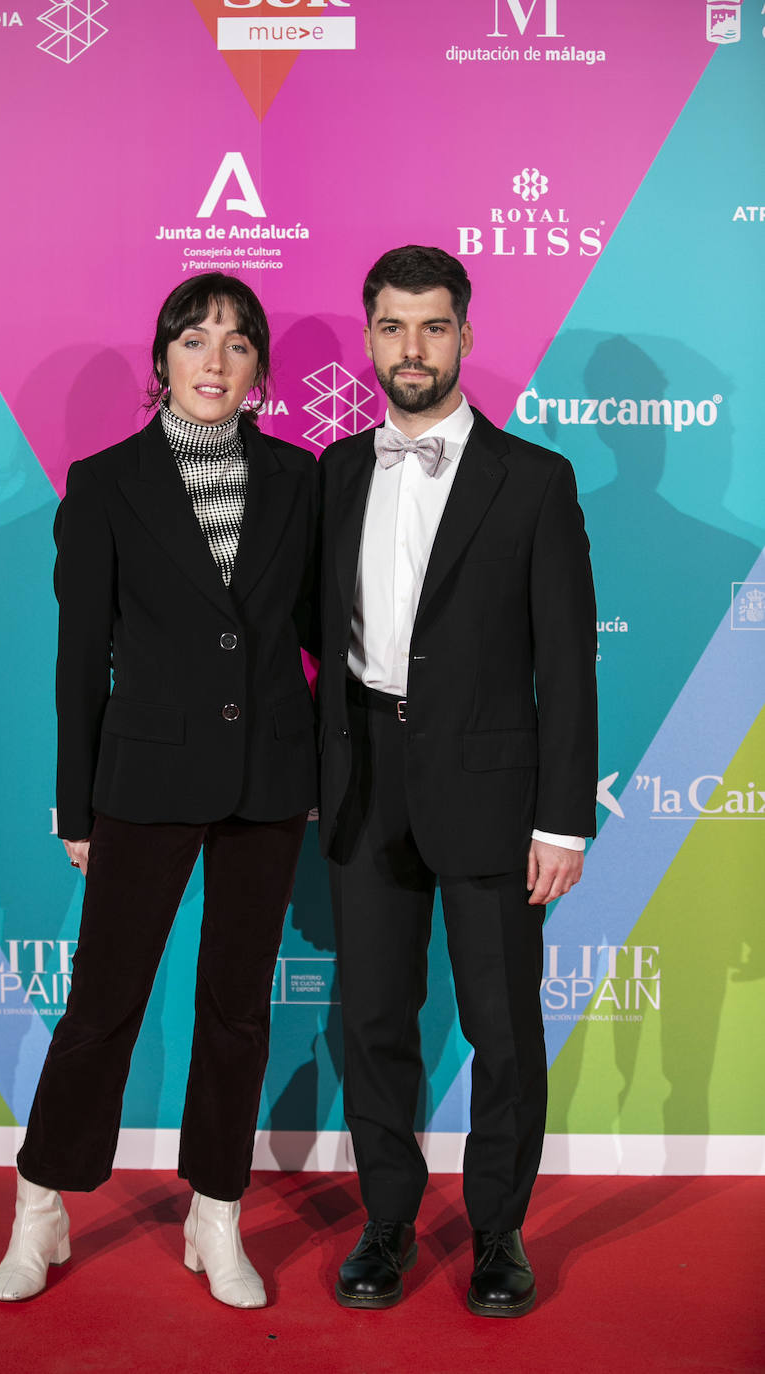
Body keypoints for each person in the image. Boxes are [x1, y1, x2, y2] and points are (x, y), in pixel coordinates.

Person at [0, 272, 318, 1309]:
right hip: (142, 776)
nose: (212, 360)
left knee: (235, 1011)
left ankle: (214, 1217)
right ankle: (39, 1206)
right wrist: (75, 806)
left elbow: (321, 636)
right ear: (162, 361)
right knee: (104, 1004)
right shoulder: (104, 483)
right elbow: (79, 658)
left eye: (234, 343)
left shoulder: (302, 481)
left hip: (267, 780)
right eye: (192, 340)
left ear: (260, 372)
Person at [316, 245, 597, 1317]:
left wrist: (562, 821)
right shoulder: (335, 471)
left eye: (433, 326)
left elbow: (565, 664)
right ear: (370, 336)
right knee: (374, 1017)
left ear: (466, 336)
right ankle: (385, 1221)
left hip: (490, 787)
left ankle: (496, 1233)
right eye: (392, 326)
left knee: (500, 1025)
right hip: (361, 779)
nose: (412, 348)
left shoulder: (534, 480)